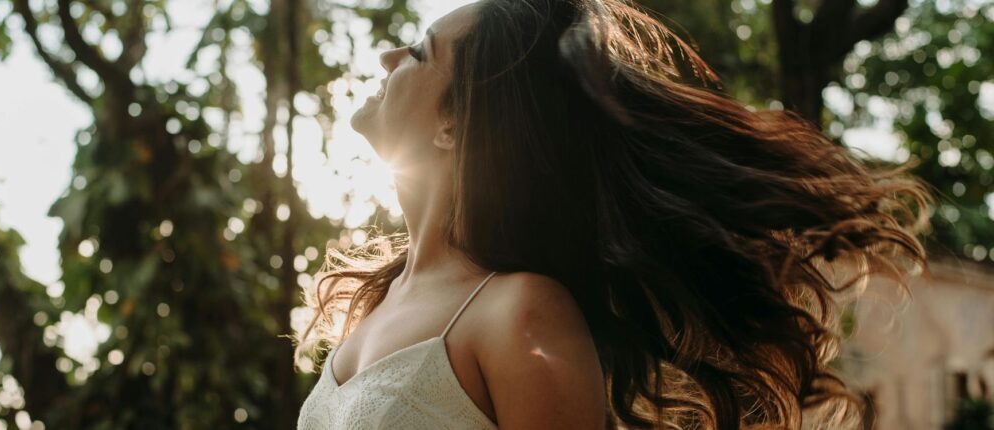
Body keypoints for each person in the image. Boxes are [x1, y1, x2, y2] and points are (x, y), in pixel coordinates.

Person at [294, 0, 930, 428]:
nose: (388, 57)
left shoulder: (519, 312)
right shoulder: (372, 301)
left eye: (419, 51)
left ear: (454, 124)